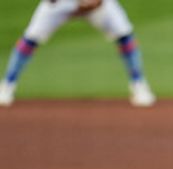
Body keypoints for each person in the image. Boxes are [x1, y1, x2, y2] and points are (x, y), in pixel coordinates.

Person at [0, 0, 155, 107]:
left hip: (96, 5)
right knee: (31, 38)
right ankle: (7, 85)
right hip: (59, 4)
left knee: (124, 35)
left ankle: (139, 84)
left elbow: (97, 3)